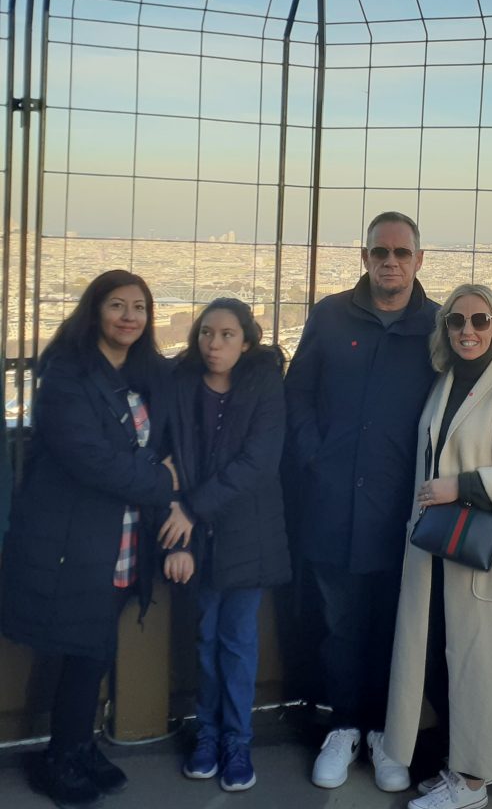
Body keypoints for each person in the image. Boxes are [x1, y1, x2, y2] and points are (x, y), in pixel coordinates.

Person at [0, 269, 190, 809]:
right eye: (117, 305)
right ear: (94, 310)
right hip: (72, 541)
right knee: (79, 650)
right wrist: (165, 479)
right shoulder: (66, 375)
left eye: (139, 307)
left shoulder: (144, 373)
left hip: (119, 539)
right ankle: (60, 758)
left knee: (95, 649)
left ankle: (77, 748)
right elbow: (95, 462)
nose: (130, 317)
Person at [284, 211, 438, 792]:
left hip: (406, 512)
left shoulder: (439, 325)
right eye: (380, 252)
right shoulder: (329, 316)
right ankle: (345, 726)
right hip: (333, 506)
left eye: (401, 252)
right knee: (340, 625)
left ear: (419, 260)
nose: (390, 261)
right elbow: (297, 392)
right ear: (365, 257)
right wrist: (314, 456)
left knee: (395, 628)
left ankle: (386, 735)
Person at [383, 283, 492, 809]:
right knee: (444, 659)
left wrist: (461, 487)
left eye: (480, 320)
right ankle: (458, 769)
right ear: (446, 330)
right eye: (457, 321)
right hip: (436, 546)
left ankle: (474, 784)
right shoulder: (446, 383)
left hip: (482, 548)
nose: (468, 330)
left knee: (482, 666)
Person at [171, 298, 290, 793]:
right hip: (199, 537)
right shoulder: (180, 387)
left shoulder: (264, 388)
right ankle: (210, 734)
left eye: (226, 335)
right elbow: (168, 457)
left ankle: (236, 742)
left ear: (247, 341)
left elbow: (257, 463)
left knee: (237, 643)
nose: (214, 343)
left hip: (246, 535)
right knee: (206, 642)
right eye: (206, 333)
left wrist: (190, 511)